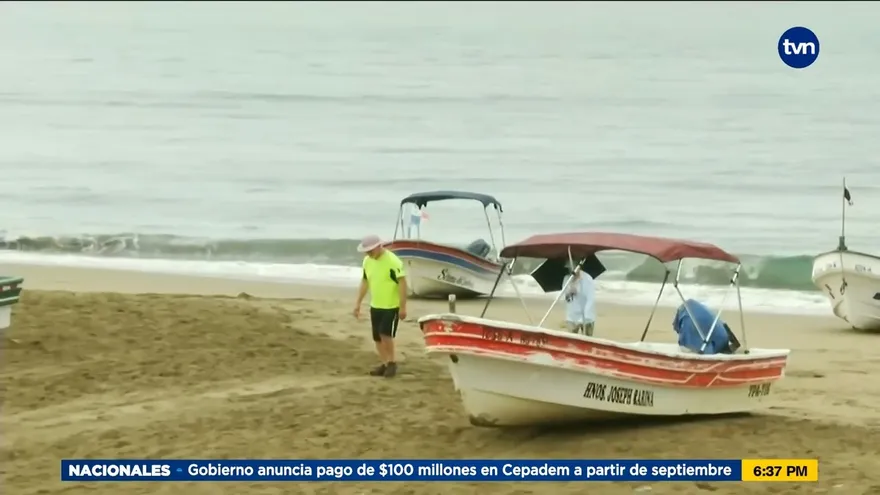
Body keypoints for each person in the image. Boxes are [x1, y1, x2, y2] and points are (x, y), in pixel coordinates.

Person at [353, 234, 408, 378]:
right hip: (376, 305)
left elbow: (402, 283)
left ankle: (392, 363)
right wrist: (358, 303)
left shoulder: (393, 261)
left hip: (391, 305)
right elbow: (365, 281)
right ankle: (384, 364)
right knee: (377, 337)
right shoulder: (367, 261)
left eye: (370, 250)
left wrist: (403, 307)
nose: (368, 254)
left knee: (386, 334)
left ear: (379, 247)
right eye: (366, 251)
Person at [562, 265, 596, 336]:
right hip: (572, 317)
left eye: (573, 268)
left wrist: (584, 317)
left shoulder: (587, 279)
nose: (571, 270)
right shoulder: (567, 279)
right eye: (569, 268)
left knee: (587, 342)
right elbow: (566, 300)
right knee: (571, 341)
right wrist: (569, 293)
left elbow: (590, 299)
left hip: (587, 317)